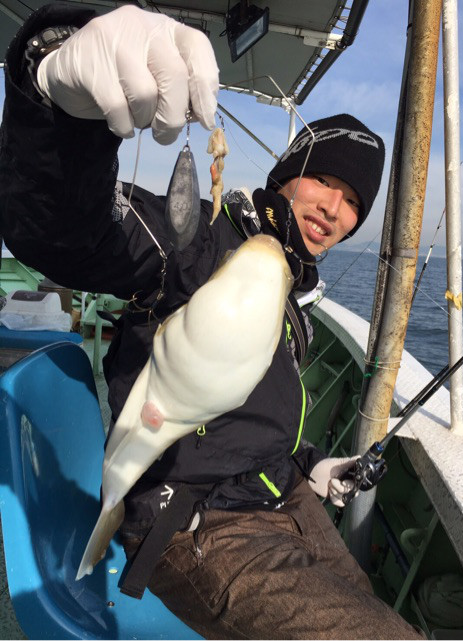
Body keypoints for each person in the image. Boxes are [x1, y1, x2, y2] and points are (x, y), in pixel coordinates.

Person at [0, 4, 422, 639]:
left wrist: (311, 463)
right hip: (202, 524)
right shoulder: (196, 240)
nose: (335, 208)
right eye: (325, 181)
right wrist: (54, 95)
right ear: (287, 176)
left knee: (378, 613)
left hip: (286, 496)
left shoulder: (294, 294)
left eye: (355, 201)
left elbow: (250, 415)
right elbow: (64, 232)